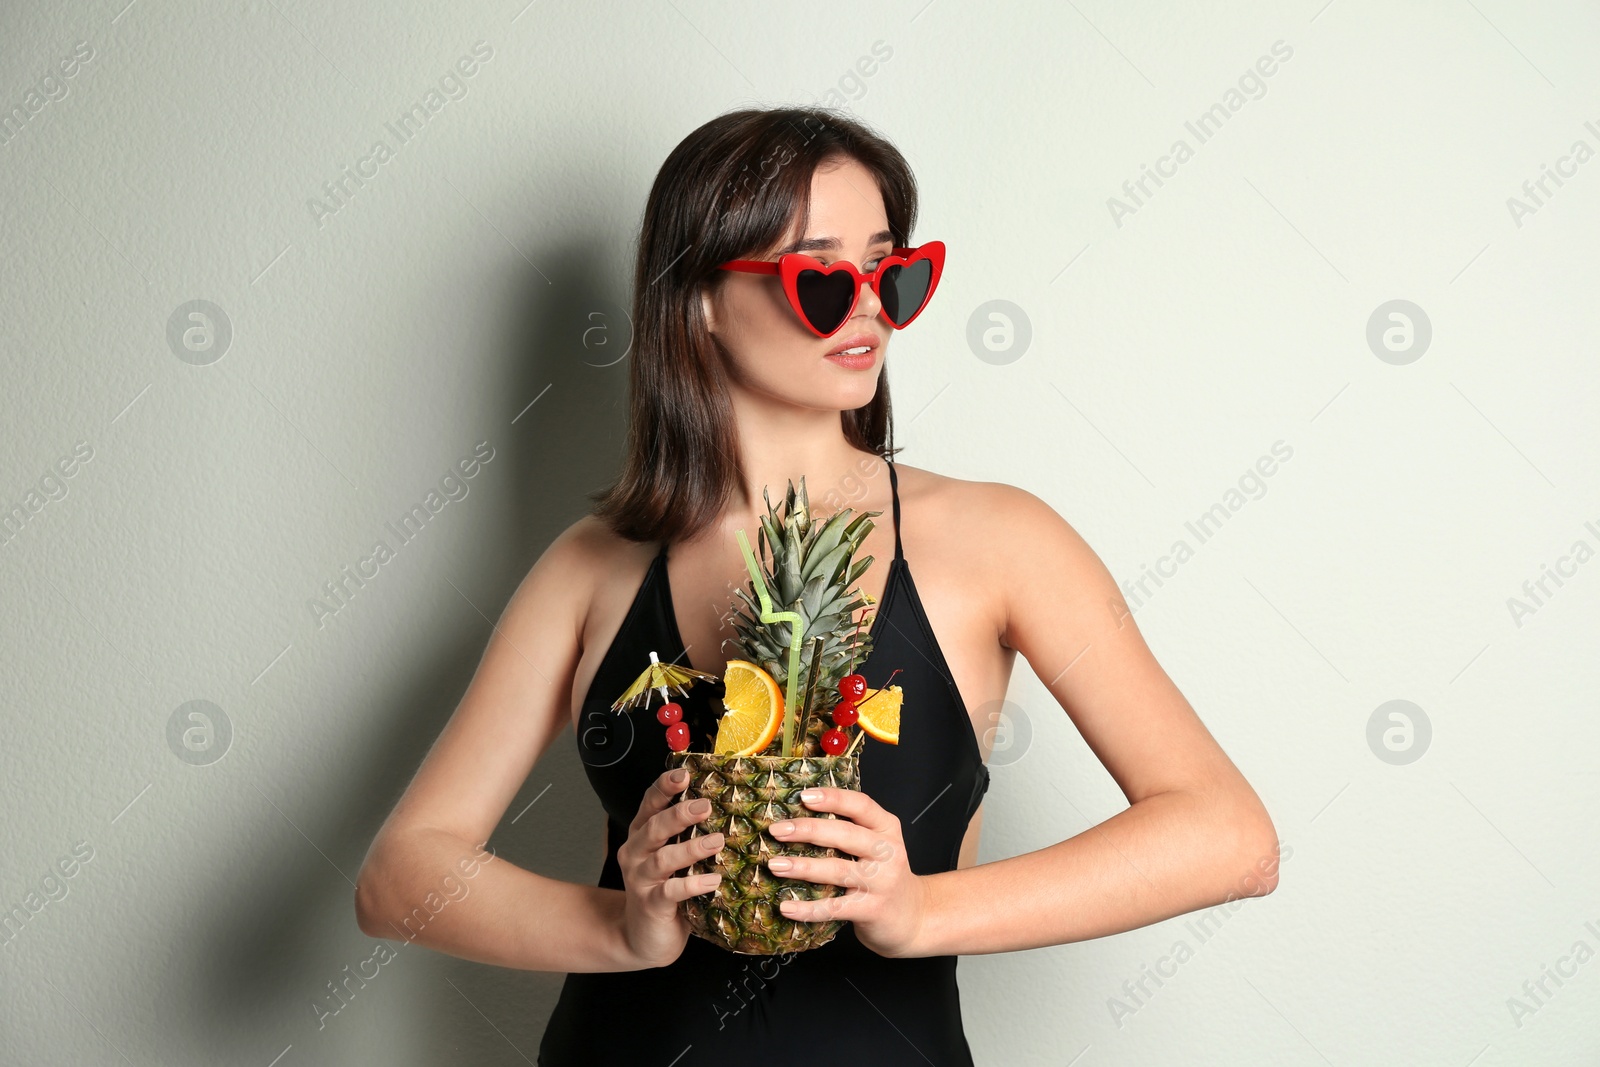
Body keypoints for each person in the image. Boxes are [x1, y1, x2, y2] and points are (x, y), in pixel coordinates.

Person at [354, 105, 1280, 1065]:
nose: (873, 306)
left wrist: (921, 908)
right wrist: (620, 928)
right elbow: (399, 875)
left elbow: (1228, 834)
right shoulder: (595, 564)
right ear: (701, 299)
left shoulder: (997, 540)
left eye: (893, 270)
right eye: (824, 277)